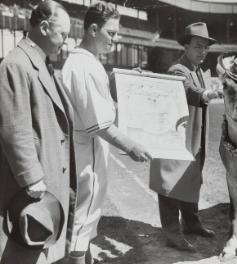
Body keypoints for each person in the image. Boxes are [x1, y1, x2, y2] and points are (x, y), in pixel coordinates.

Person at [61, 2, 151, 263]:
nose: (115, 38)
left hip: (84, 153)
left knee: (85, 228)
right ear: (92, 29)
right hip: (85, 158)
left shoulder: (83, 62)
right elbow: (100, 124)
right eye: (110, 33)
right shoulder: (85, 65)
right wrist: (131, 146)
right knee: (80, 227)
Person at [0, 1, 76, 263]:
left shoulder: (41, 63)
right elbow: (13, 128)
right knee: (23, 254)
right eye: (63, 34)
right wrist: (31, 177)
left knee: (40, 252)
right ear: (44, 27)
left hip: (46, 179)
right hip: (30, 188)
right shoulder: (16, 64)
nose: (65, 41)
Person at [149, 22, 219, 252]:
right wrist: (206, 93)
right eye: (198, 46)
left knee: (191, 179)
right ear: (186, 46)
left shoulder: (199, 70)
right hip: (177, 139)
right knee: (171, 183)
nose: (203, 51)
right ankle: (171, 232)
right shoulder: (178, 69)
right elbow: (188, 89)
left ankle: (191, 222)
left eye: (206, 47)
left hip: (194, 138)